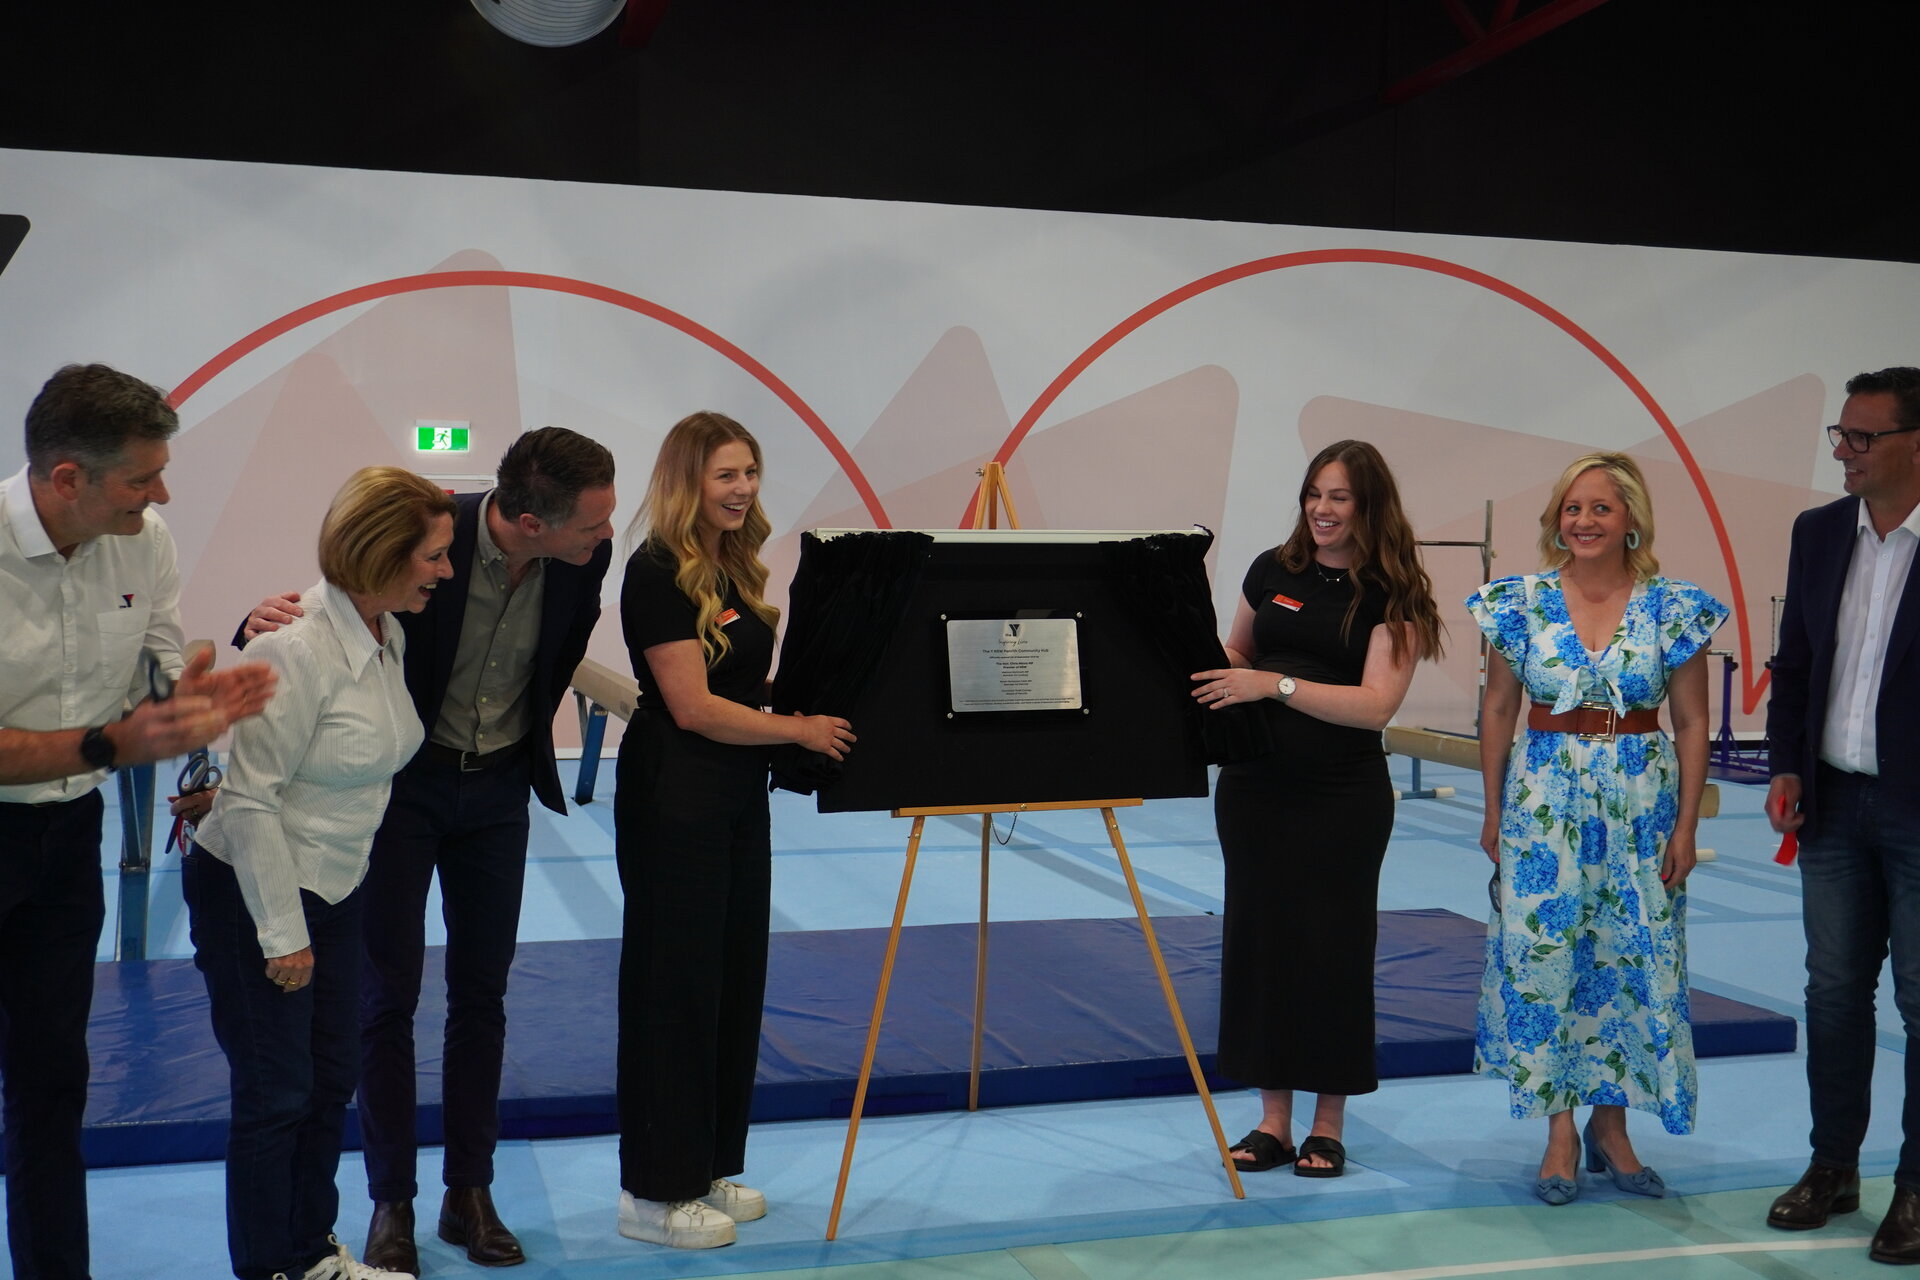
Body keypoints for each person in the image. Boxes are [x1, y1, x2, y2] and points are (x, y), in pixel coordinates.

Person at [241, 427, 615, 1273]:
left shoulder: (581, 557)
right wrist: (253, 620)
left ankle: (468, 1191)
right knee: (387, 999)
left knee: (483, 994)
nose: (604, 538)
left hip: (499, 792)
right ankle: (392, 1199)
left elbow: (558, 656)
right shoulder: (429, 538)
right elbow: (337, 607)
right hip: (403, 790)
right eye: (592, 525)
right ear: (530, 521)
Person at [0, 363, 274, 1280]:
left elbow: (156, 667)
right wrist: (114, 743)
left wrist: (190, 702)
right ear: (65, 477)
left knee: (52, 1085)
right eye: (142, 478)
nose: (161, 495)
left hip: (65, 841)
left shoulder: (141, 539)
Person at [187, 466, 458, 1280]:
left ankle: (309, 1255)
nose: (446, 571)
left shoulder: (386, 634)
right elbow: (249, 801)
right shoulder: (293, 645)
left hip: (336, 890)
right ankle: (267, 1267)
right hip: (257, 894)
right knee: (275, 1093)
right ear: (381, 553)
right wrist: (283, 934)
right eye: (434, 556)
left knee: (330, 1080)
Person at [614, 411, 854, 1249]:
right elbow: (694, 707)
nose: (744, 488)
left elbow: (749, 686)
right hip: (675, 790)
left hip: (735, 792)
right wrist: (801, 730)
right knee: (673, 986)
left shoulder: (732, 565)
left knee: (730, 980)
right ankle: (652, 1191)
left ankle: (705, 1165)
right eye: (725, 475)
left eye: (750, 472)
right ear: (688, 481)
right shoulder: (656, 570)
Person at [1468, 452, 1724, 1205]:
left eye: (1600, 508)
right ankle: (1559, 1133)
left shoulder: (1674, 608)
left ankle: (1612, 1127)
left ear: (1631, 519)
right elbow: (1498, 710)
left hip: (1641, 808)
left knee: (1631, 960)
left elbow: (1692, 721)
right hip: (1542, 802)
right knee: (1546, 961)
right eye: (1572, 508)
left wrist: (1685, 827)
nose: (1583, 521)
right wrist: (1493, 810)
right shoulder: (1518, 604)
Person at [1190, 439, 1444, 1178]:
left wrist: (1274, 687)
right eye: (1314, 494)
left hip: (1340, 798)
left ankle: (1326, 1125)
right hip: (1255, 788)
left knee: (1333, 951)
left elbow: (1375, 705)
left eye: (1339, 497)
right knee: (1260, 945)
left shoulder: (1394, 592)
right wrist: (1187, 652)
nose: (1321, 509)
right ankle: (1273, 1118)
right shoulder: (1273, 568)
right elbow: (1239, 653)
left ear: (1369, 507)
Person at [1764, 367, 1920, 1263]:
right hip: (1830, 802)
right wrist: (1786, 764)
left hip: (1916, 812)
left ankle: (1917, 1185)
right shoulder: (1819, 532)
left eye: (1863, 437)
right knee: (1832, 992)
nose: (1845, 453)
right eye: (1841, 434)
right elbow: (1793, 662)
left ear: (1915, 446)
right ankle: (1834, 1167)